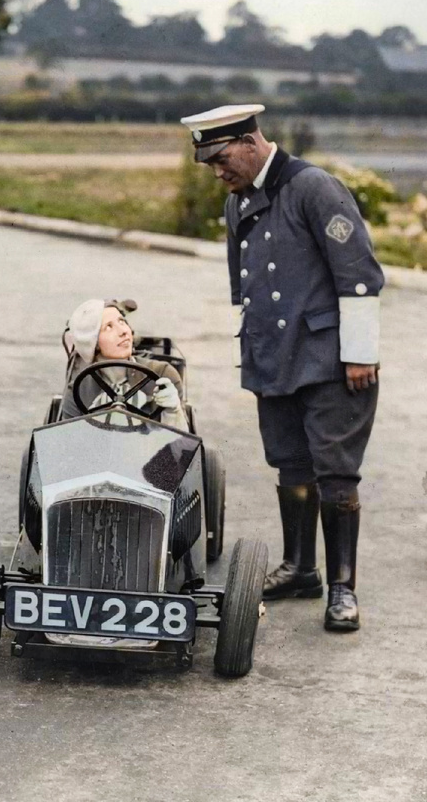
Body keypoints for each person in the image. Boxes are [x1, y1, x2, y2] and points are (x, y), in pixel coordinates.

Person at [180, 104, 382, 632]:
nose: (218, 172)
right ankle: (300, 569)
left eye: (222, 159)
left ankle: (342, 589)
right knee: (290, 464)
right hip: (274, 353)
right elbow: (241, 287)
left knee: (335, 470)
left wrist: (360, 352)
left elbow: (358, 275)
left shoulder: (314, 187)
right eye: (210, 165)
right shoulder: (238, 202)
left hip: (331, 358)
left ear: (251, 141)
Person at [60, 299, 189, 431]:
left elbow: (181, 445)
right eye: (108, 327)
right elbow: (70, 444)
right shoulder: (78, 391)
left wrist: (173, 412)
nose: (123, 331)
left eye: (122, 321)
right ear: (93, 343)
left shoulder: (162, 374)